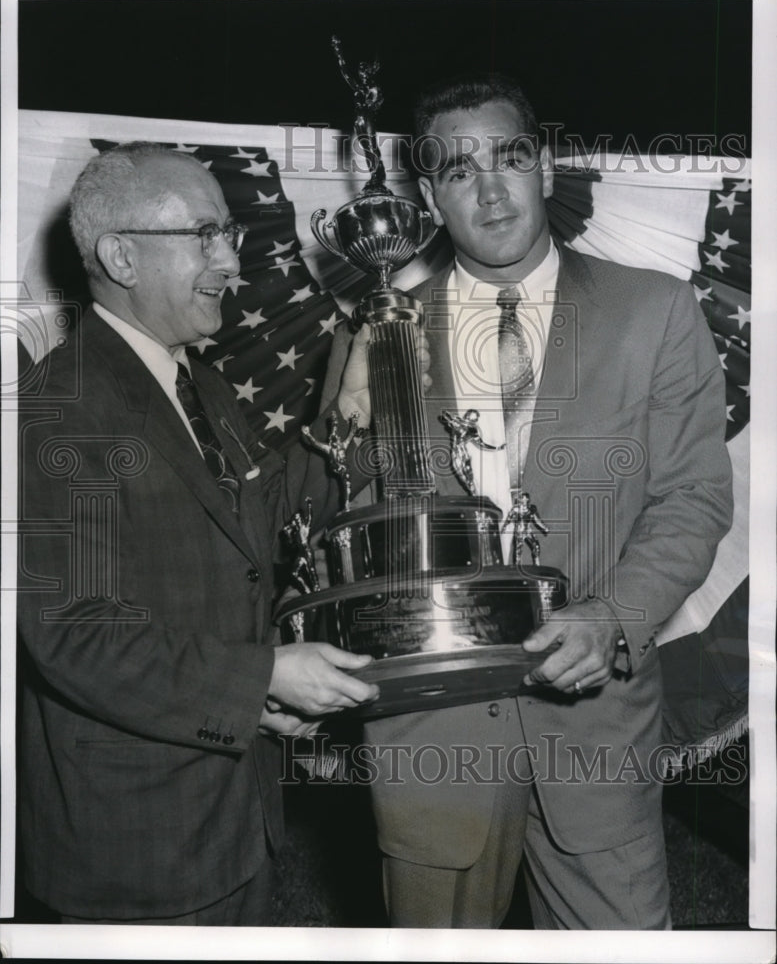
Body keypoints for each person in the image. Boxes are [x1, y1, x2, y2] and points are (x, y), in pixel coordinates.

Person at [324, 73, 733, 928]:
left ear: (544, 167)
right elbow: (343, 524)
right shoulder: (376, 329)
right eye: (457, 169)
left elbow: (691, 500)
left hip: (594, 720)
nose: (490, 187)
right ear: (429, 196)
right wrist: (348, 413)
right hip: (431, 730)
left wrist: (612, 617)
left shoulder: (652, 312)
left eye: (508, 157)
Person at [15, 142, 378, 926]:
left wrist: (344, 415)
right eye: (205, 235)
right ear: (120, 255)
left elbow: (266, 523)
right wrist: (263, 681)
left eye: (231, 237)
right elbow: (76, 637)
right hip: (134, 845)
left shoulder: (196, 379)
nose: (231, 263)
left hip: (230, 814)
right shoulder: (62, 407)